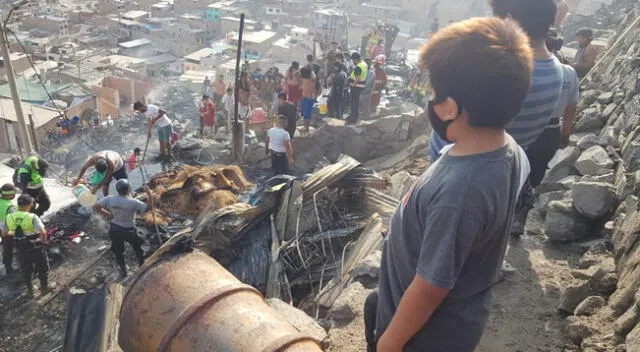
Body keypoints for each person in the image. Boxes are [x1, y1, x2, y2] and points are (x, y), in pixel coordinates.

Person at [365, 17, 532, 352]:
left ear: (451, 108)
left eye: (433, 93)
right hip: (444, 315)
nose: (429, 99)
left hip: (425, 335)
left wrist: (390, 343)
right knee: (373, 305)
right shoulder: (504, 147)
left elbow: (430, 287)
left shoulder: (461, 191)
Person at [430, 0, 563, 235]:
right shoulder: (557, 71)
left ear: (510, 20)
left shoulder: (503, 74)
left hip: (454, 176)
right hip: (496, 171)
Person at [93, 179, 152, 279]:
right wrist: (150, 195)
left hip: (115, 229)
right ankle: (142, 267)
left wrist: (106, 214)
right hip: (129, 230)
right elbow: (147, 209)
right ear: (128, 189)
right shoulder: (133, 202)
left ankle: (123, 271)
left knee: (118, 251)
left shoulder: (110, 199)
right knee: (138, 249)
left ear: (117, 189)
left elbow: (95, 206)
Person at [4, 194, 50, 296]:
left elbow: (5, 233)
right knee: (42, 268)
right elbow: (43, 232)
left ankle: (30, 291)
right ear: (30, 204)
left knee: (26, 269)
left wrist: (18, 234)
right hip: (35, 247)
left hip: (20, 248)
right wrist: (44, 242)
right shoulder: (32, 217)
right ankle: (44, 289)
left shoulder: (9, 217)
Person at [346, 53, 368, 125]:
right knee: (356, 102)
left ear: (355, 59)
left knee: (354, 102)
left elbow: (358, 78)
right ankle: (355, 116)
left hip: (356, 87)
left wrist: (353, 85)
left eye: (353, 60)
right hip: (361, 86)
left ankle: (353, 117)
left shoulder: (358, 67)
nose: (352, 62)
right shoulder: (364, 64)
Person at [0, 184, 17, 275]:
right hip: (7, 231)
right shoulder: (9, 207)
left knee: (5, 245)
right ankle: (9, 268)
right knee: (8, 248)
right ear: (10, 194)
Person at [300, 66, 316, 132]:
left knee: (307, 115)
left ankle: (307, 128)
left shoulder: (311, 80)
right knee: (304, 114)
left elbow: (314, 76)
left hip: (309, 98)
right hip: (305, 97)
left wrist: (311, 70)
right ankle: (305, 126)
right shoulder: (304, 79)